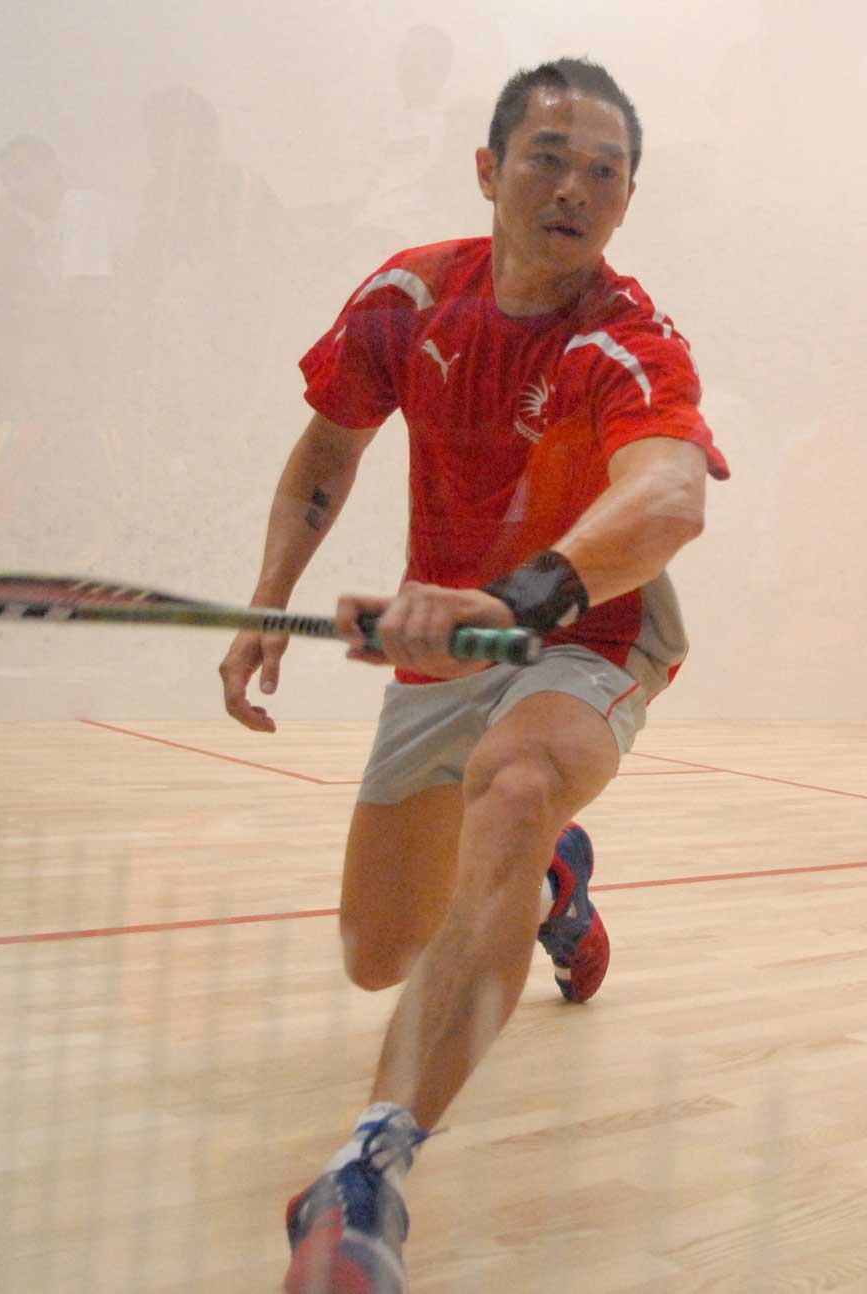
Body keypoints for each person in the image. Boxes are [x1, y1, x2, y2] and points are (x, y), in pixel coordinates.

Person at [218, 57, 729, 1293]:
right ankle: (552, 880)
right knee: (378, 951)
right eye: (548, 158)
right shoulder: (407, 299)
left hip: (586, 627)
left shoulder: (628, 337)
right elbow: (326, 450)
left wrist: (515, 603)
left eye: (604, 172)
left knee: (516, 780)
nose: (574, 189)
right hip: (444, 638)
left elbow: (667, 496)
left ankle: (365, 1176)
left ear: (626, 199)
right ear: (490, 170)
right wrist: (272, 599)